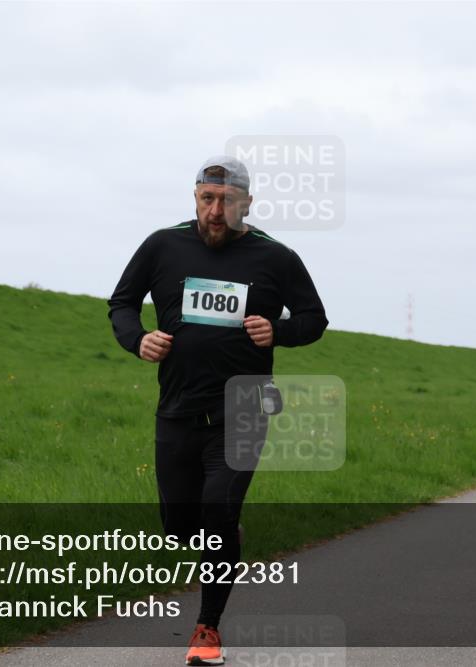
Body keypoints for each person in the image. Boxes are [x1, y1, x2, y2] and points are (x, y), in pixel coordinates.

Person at [108, 156, 328, 665]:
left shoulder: (275, 257)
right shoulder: (163, 245)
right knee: (179, 525)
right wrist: (137, 339)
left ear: (247, 204)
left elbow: (315, 318)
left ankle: (207, 628)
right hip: (178, 410)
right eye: (207, 199)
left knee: (217, 514)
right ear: (195, 199)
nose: (214, 210)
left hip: (244, 408)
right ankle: (226, 535)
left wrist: (281, 331)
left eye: (226, 201)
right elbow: (121, 302)